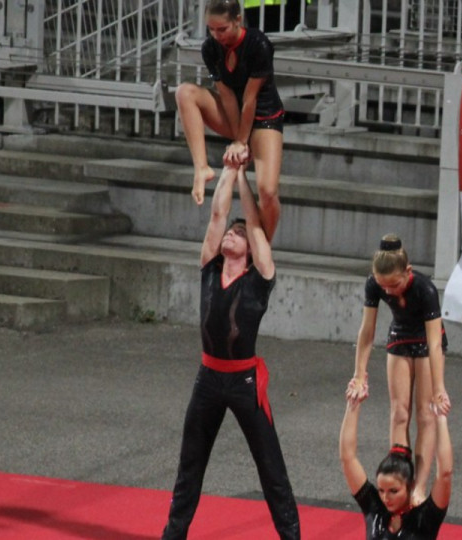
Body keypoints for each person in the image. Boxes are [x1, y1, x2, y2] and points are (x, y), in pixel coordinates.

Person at [161, 165, 300, 540]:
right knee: (190, 465)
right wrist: (229, 168)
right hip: (207, 379)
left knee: (270, 467)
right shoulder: (209, 267)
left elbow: (255, 224)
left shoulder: (260, 278)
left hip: (244, 381)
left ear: (252, 251)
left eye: (239, 235)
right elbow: (218, 214)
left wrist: (243, 179)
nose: (232, 235)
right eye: (230, 233)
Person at [346, 234, 450, 507]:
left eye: (394, 284)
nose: (388, 291)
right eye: (383, 285)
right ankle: (400, 479)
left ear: (408, 272)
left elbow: (435, 342)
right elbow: (367, 331)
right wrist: (359, 374)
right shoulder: (375, 284)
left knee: (426, 414)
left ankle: (419, 485)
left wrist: (439, 388)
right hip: (400, 336)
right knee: (399, 412)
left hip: (427, 342)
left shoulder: (425, 289)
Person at [176, 0, 283, 241]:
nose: (216, 35)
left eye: (222, 29)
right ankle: (201, 168)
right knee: (184, 92)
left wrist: (242, 142)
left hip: (264, 117)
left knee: (267, 192)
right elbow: (227, 97)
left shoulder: (258, 44)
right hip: (234, 114)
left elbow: (249, 99)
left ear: (237, 20)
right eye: (211, 30)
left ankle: (264, 244)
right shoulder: (211, 48)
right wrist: (237, 140)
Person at [339, 391, 453, 539]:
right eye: (381, 490)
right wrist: (352, 406)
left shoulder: (425, 518)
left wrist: (441, 418)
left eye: (393, 491)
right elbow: (347, 459)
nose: (385, 497)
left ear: (410, 486)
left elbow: (445, 473)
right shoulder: (375, 510)